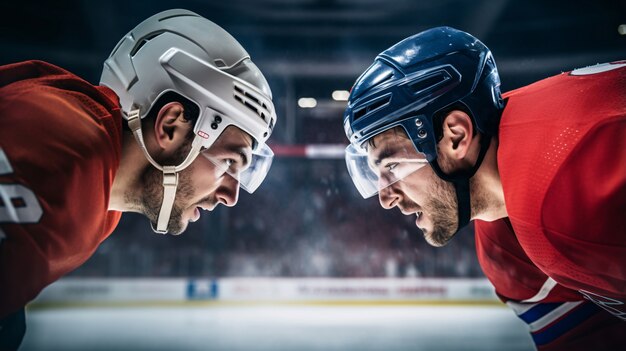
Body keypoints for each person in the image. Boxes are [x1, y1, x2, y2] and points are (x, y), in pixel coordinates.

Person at [0, 9, 277, 349]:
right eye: (229, 162)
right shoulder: (65, 155)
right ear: (170, 126)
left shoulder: (103, 201)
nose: (231, 195)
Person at [342, 26, 625, 350]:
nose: (385, 198)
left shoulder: (579, 179)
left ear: (456, 137)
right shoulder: (503, 250)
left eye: (391, 165)